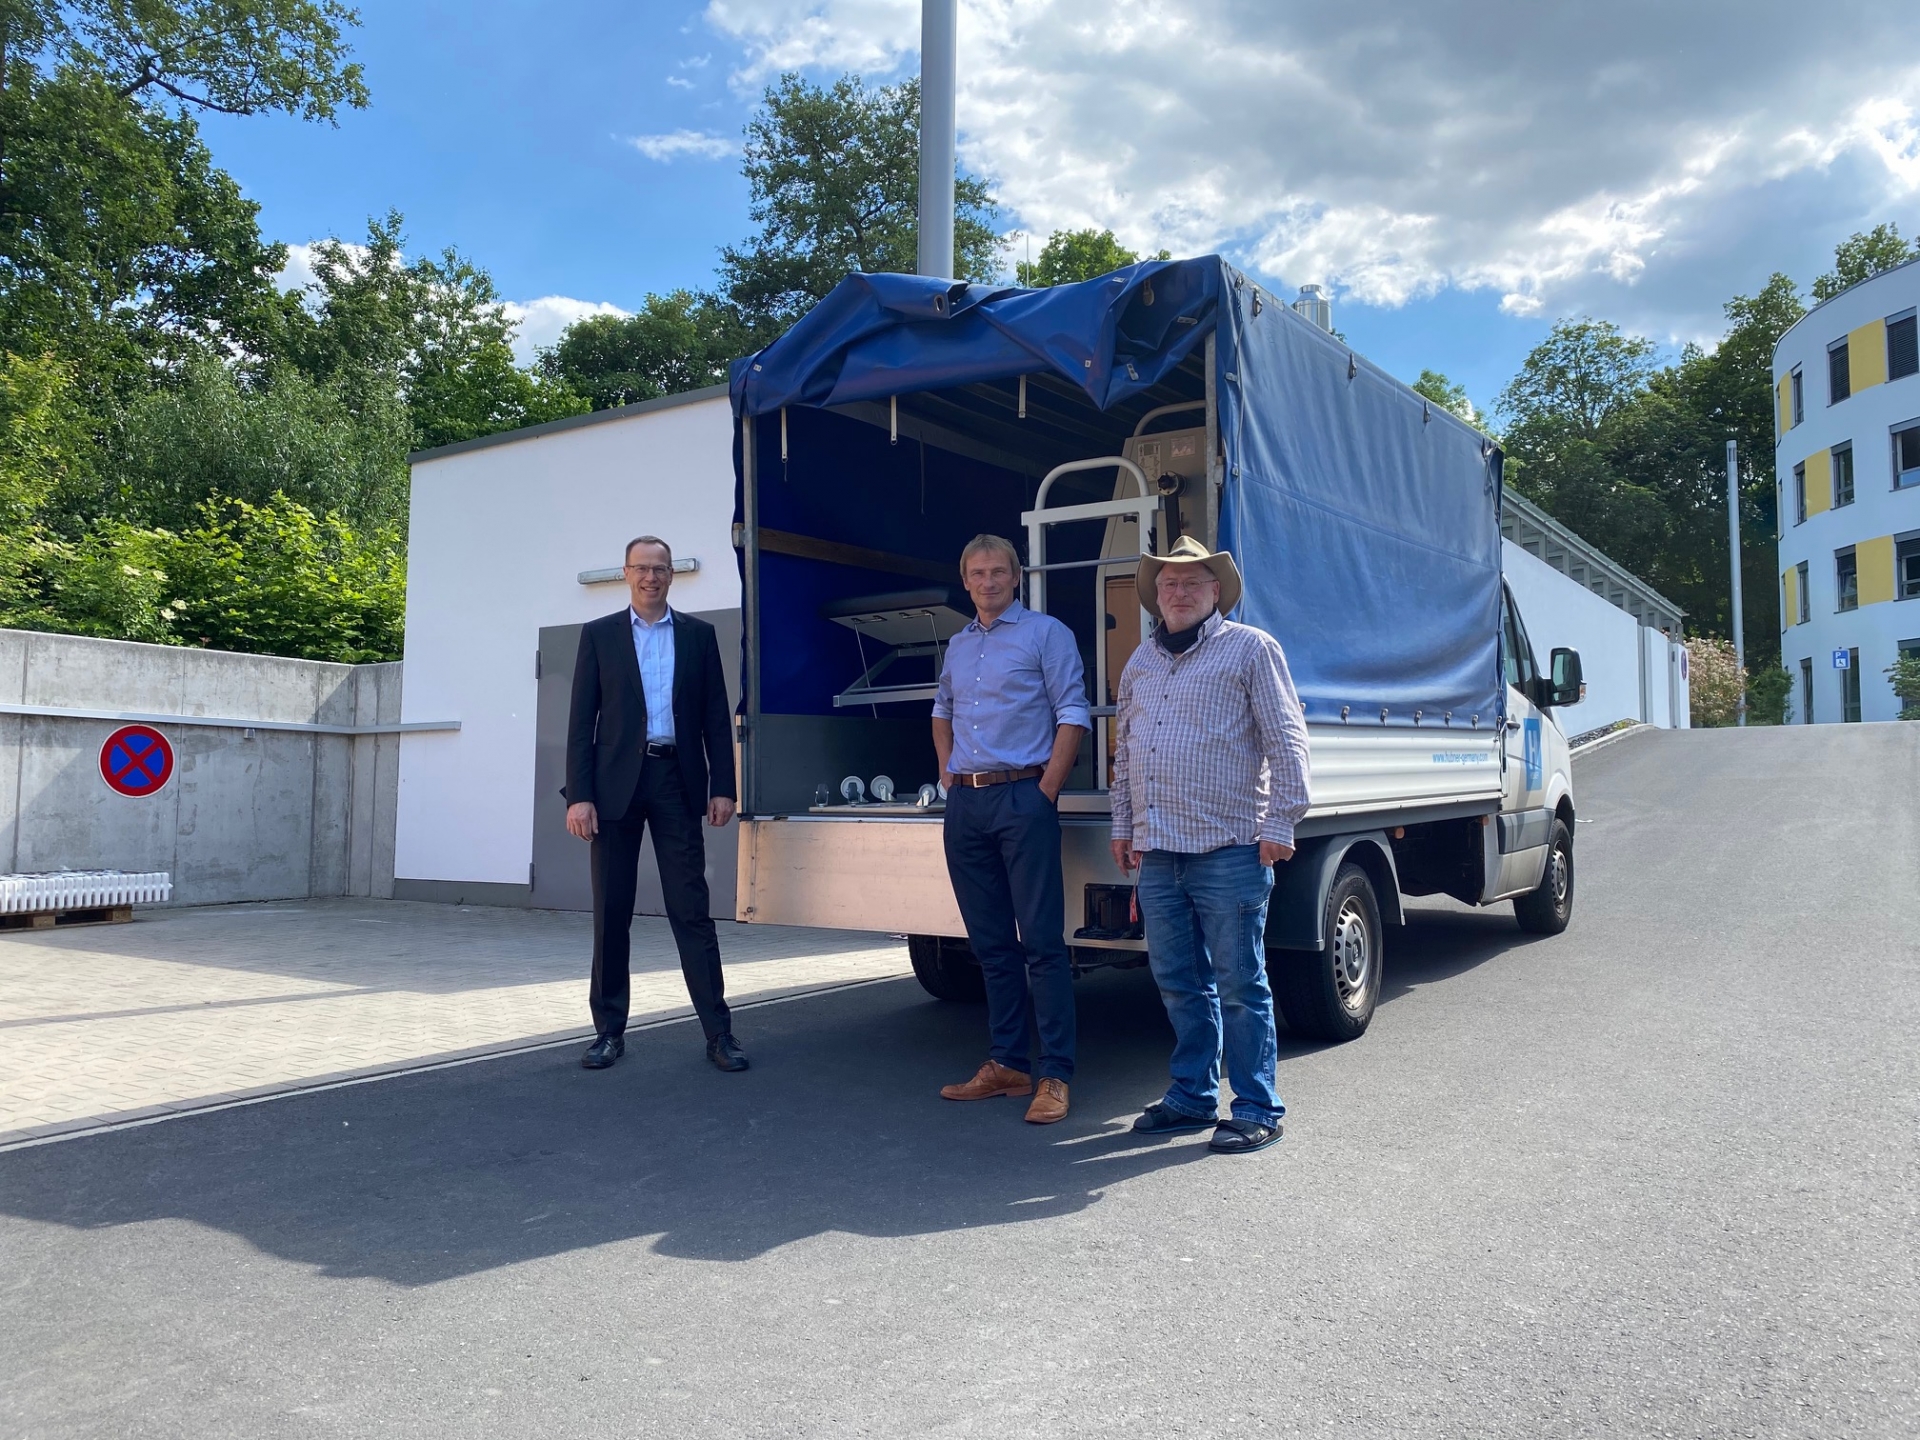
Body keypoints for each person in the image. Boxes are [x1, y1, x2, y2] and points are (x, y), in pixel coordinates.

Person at [1108, 535, 1311, 1154]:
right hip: (1159, 852)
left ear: (1215, 591)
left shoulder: (1251, 649)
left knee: (1240, 984)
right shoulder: (1140, 662)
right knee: (1177, 982)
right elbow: (1126, 753)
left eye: (1192, 582)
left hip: (1229, 848)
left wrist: (1281, 823)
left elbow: (1287, 739)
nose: (1179, 592)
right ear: (1156, 594)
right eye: (1169, 583)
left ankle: (1257, 1107)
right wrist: (1123, 825)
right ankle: (1192, 1096)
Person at [566, 535, 746, 1074]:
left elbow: (716, 715)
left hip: (675, 780)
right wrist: (580, 796)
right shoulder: (599, 635)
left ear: (672, 575)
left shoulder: (698, 636)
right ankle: (608, 1032)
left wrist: (723, 786)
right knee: (611, 911)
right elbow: (581, 722)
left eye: (660, 569)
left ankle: (719, 1034)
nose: (651, 577)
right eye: (641, 568)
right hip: (614, 787)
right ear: (626, 573)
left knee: (691, 909)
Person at [932, 534, 1090, 1125]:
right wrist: (948, 776)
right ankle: (1007, 1064)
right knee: (991, 944)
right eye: (978, 573)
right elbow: (942, 710)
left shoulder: (1046, 633)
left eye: (998, 571)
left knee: (1042, 945)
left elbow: (1072, 712)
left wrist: (1046, 790)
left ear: (1016, 576)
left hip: (1024, 796)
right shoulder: (958, 644)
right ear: (965, 580)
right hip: (967, 804)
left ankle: (1055, 1074)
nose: (988, 581)